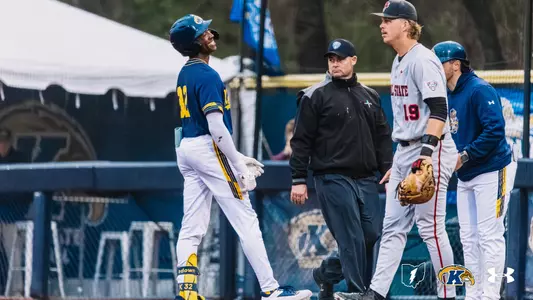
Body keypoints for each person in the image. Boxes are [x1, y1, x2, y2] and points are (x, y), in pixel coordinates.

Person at [169, 14, 312, 300]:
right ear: (193, 42)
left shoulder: (186, 71)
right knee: (245, 218)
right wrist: (236, 164)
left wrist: (237, 156)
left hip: (189, 148)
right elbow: (215, 126)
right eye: (202, 32)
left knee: (191, 225)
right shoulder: (207, 74)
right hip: (208, 147)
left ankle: (187, 293)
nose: (210, 33)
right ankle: (271, 290)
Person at [334, 1, 459, 299]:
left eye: (389, 20)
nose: (382, 24)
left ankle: (449, 294)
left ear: (406, 25)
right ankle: (375, 293)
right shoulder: (399, 60)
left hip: (433, 147)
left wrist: (424, 156)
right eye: (382, 19)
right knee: (392, 227)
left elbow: (439, 111)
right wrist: (402, 160)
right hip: (406, 148)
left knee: (430, 228)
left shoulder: (422, 60)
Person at [289, 38, 392, 299]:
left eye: (340, 59)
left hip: (367, 178)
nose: (335, 63)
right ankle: (359, 293)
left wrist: (388, 170)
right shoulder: (314, 95)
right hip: (332, 176)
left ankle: (326, 273)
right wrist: (298, 178)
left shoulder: (370, 95)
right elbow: (301, 140)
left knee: (370, 235)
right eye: (331, 59)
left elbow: (381, 136)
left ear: (353, 60)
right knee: (352, 237)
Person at [432, 40, 518, 300]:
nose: (435, 68)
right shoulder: (446, 93)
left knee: (489, 236)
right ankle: (473, 294)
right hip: (467, 173)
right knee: (468, 237)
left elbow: (495, 131)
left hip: (493, 169)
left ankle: (490, 295)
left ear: (455, 65)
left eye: (440, 63)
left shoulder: (479, 89)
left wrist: (465, 155)